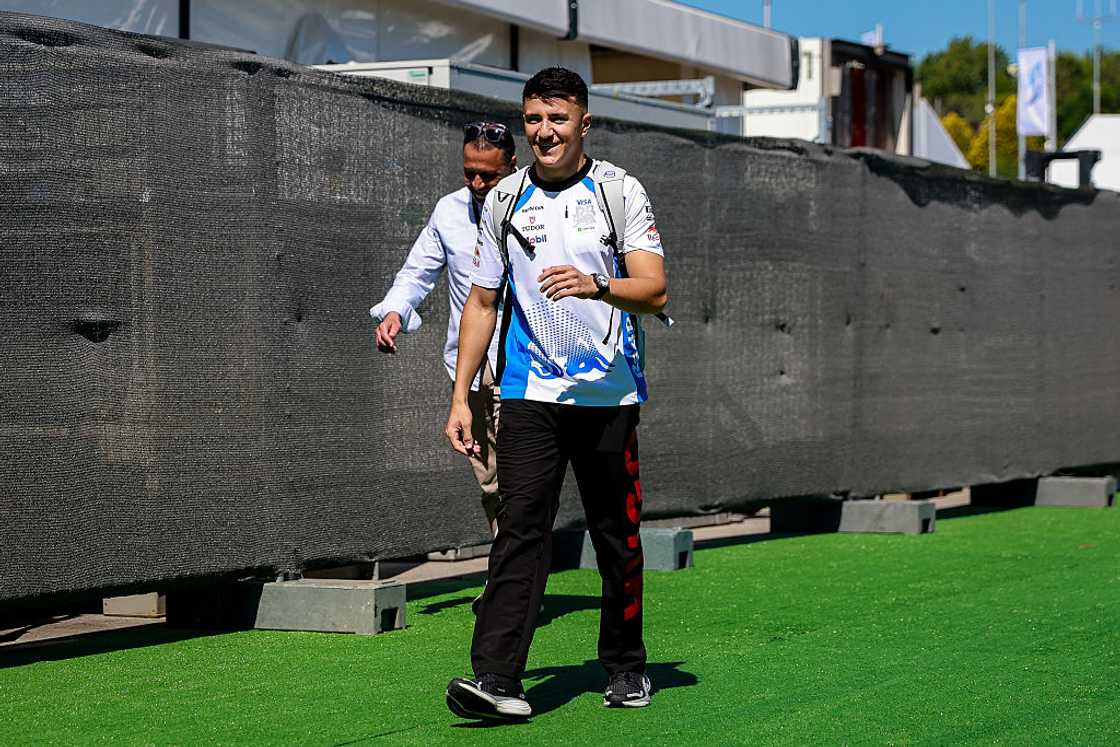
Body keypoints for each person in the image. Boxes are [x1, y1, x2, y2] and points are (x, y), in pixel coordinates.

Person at [443, 67, 669, 721]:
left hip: (609, 396)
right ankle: (498, 678)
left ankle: (626, 667)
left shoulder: (619, 191)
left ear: (584, 123)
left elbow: (654, 289)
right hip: (527, 392)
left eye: (558, 118)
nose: (545, 131)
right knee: (518, 529)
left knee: (616, 537)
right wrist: (463, 395)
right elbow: (484, 301)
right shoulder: (504, 199)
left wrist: (597, 285)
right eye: (535, 119)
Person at [369, 121, 516, 537]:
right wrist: (396, 311)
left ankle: (519, 587)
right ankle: (508, 576)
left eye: (489, 174)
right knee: (490, 482)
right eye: (469, 171)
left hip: (524, 365)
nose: (477, 182)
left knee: (523, 483)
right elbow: (417, 272)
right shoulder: (449, 210)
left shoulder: (534, 208)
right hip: (469, 369)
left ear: (512, 166)